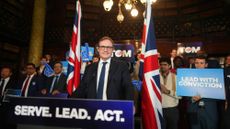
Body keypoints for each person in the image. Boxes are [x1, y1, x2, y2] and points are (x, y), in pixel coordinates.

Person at [73, 36, 134, 100]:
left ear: (113, 49)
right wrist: (66, 102)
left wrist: (130, 105)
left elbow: (128, 88)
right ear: (98, 49)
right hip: (92, 107)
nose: (105, 50)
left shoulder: (122, 66)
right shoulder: (89, 68)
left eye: (109, 47)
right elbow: (81, 89)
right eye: (102, 47)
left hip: (114, 108)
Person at [187, 55, 218, 129]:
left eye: (201, 63)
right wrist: (192, 99)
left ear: (206, 65)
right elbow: (185, 95)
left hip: (209, 111)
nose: (199, 65)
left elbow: (219, 96)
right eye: (197, 63)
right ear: (194, 64)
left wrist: (203, 96)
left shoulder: (215, 77)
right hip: (193, 111)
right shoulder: (188, 76)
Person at [159, 57, 180, 129]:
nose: (162, 66)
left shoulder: (176, 77)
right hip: (159, 109)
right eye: (161, 64)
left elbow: (180, 96)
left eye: (165, 64)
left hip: (172, 109)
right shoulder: (155, 77)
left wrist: (168, 91)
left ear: (170, 66)